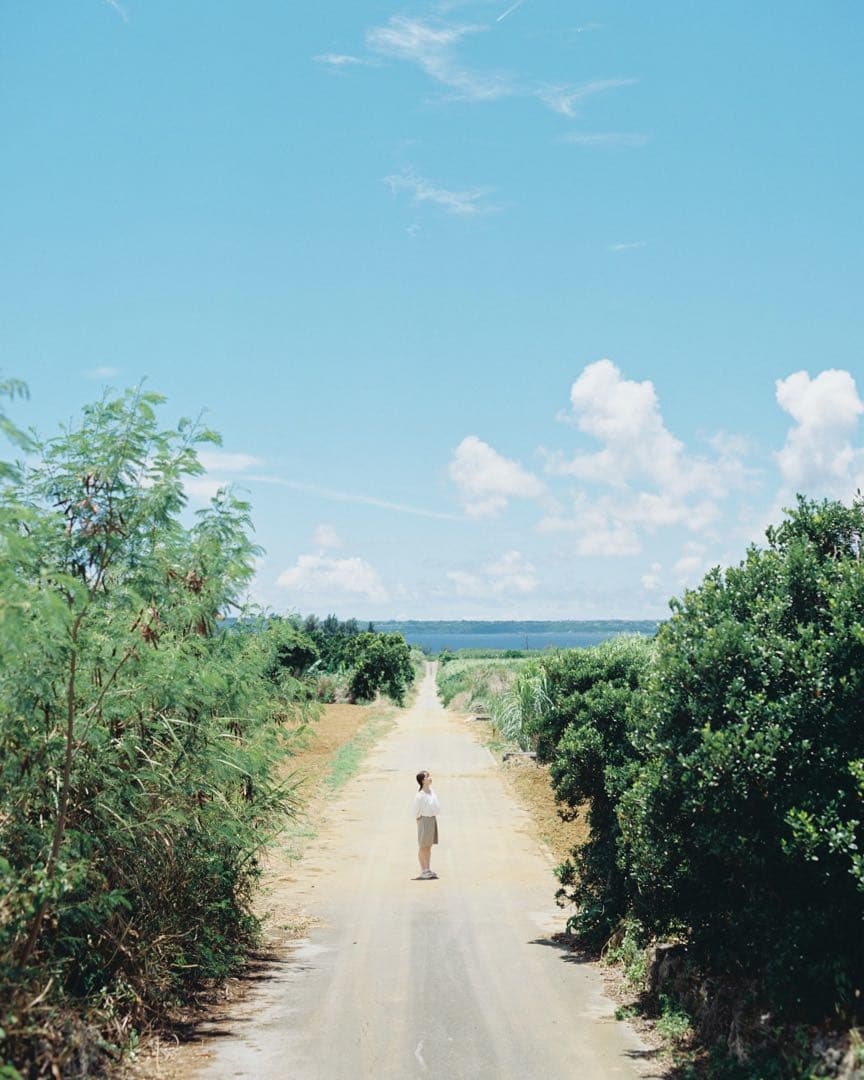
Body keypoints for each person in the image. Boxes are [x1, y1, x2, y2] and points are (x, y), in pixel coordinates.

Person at [414, 770, 440, 880]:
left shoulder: (431, 792)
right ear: (423, 781)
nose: (430, 778)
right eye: (427, 777)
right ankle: (423, 870)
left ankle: (428, 869)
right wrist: (419, 818)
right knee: (423, 846)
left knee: (428, 846)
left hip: (432, 819)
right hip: (424, 819)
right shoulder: (420, 795)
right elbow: (415, 810)